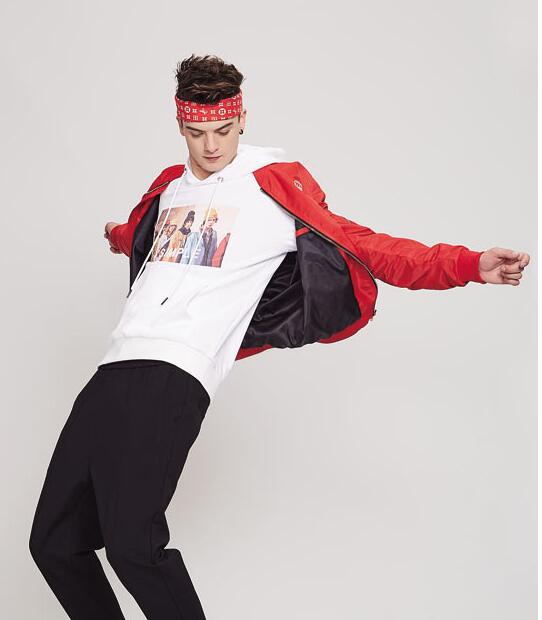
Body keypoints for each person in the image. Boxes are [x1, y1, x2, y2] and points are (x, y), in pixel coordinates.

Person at [28, 53, 530, 620]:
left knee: (133, 547)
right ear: (180, 125)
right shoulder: (169, 189)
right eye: (197, 133)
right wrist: (119, 234)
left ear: (242, 119)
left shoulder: (270, 186)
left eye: (223, 130)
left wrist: (467, 264)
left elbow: (367, 246)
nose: (211, 146)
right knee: (54, 543)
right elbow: (155, 240)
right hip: (113, 366)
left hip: (175, 373)